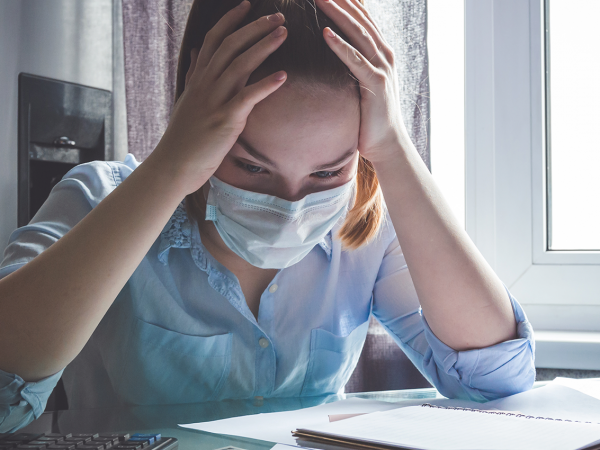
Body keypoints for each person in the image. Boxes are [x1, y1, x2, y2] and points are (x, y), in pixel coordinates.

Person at [0, 0, 535, 433]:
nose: (291, 208)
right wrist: (169, 169)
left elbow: (496, 379)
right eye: (253, 166)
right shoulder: (97, 198)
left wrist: (395, 150)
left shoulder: (369, 231)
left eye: (328, 173)